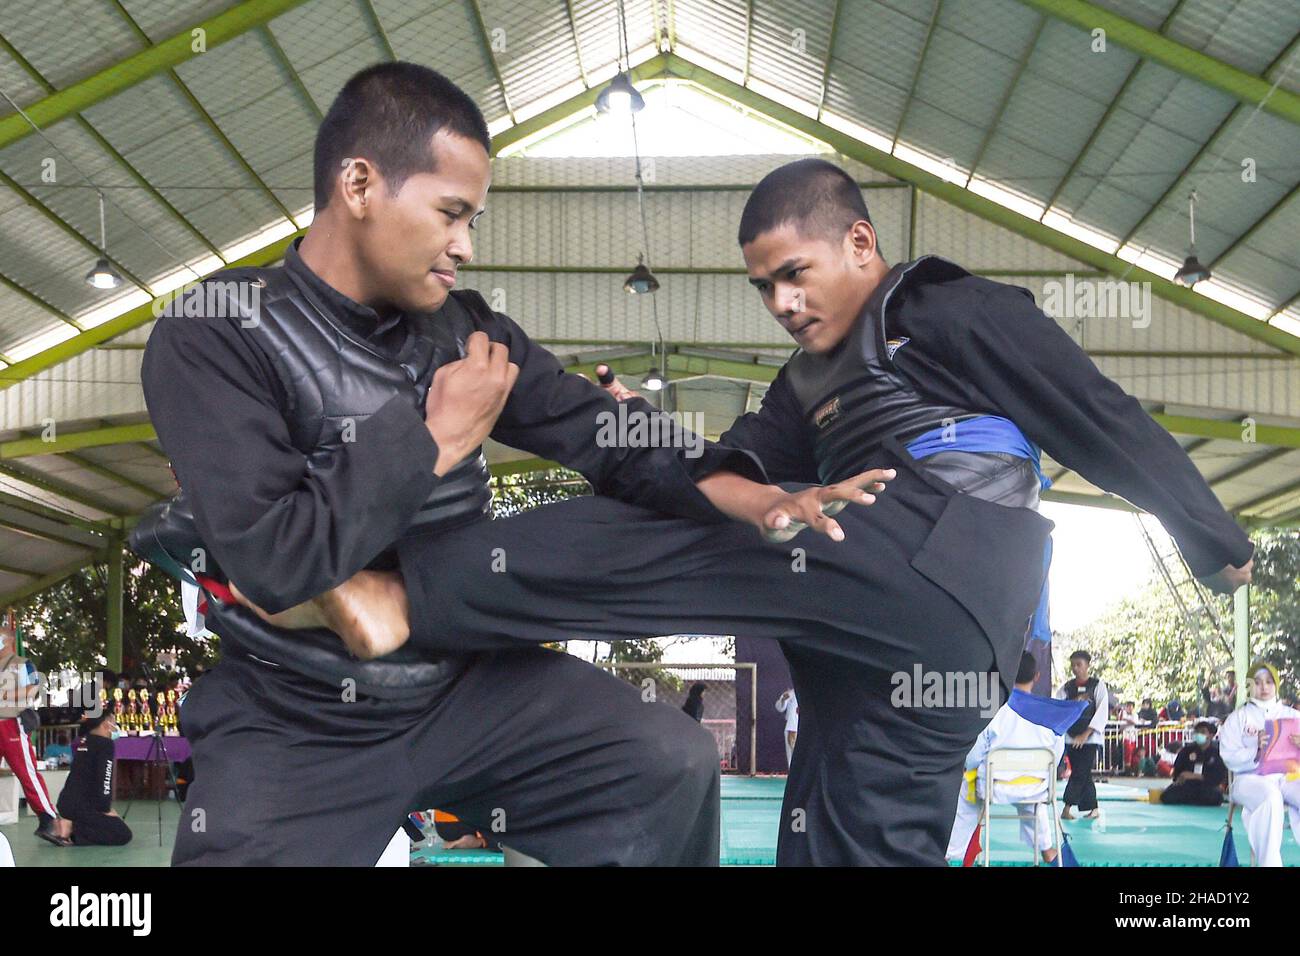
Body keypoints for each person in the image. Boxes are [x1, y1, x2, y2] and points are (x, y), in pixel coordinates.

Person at [265, 158, 1254, 865]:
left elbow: (1096, 413)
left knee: (698, 539)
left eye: (795, 273)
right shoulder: (803, 384)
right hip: (902, 652)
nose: (779, 301)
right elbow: (733, 468)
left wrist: (1211, 537)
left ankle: (406, 596)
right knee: (843, 835)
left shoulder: (944, 311)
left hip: (943, 556)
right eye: (762, 286)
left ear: (859, 240)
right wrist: (632, 428)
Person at [132, 62, 887, 867]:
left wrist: (753, 494)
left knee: (665, 762)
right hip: (296, 714)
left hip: (468, 685)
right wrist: (433, 439)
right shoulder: (215, 334)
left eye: (473, 219)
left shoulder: (466, 331)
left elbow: (600, 432)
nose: (464, 245)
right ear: (358, 184)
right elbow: (274, 560)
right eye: (450, 213)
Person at [945, 653, 1083, 865]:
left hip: (994, 787)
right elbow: (1054, 760)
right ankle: (1047, 850)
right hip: (1036, 788)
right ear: (1036, 676)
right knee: (1033, 798)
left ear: (1007, 671)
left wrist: (968, 768)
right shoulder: (1051, 715)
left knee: (968, 786)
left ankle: (953, 852)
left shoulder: (994, 709)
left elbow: (974, 756)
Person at [1218, 662, 1300, 867]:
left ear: (1277, 685)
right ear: (1249, 685)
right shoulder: (1238, 718)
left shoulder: (1293, 716)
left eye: (1269, 682)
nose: (1264, 687)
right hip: (1249, 778)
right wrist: (1254, 750)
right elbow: (1228, 755)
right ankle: (1269, 863)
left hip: (1286, 777)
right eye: (1258, 682)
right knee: (1271, 798)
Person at [0, 621, 64, 846]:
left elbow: (32, 690)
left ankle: (48, 819)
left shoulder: (23, 664)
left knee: (26, 772)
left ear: (9, 640)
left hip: (12, 723)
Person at [50, 710, 132, 847]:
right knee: (123, 834)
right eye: (113, 721)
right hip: (82, 807)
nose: (115, 725)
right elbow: (105, 778)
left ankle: (67, 825)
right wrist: (106, 809)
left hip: (66, 802)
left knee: (104, 824)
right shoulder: (105, 744)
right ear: (106, 724)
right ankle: (71, 828)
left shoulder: (84, 741)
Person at [1056, 651, 1108, 820]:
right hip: (1071, 736)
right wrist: (1074, 703)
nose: (1075, 668)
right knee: (1083, 773)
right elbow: (1060, 709)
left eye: (1079, 664)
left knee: (1079, 772)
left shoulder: (1098, 685)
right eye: (1073, 665)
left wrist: (1086, 734)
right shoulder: (1066, 688)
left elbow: (1101, 712)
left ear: (1088, 665)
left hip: (1090, 738)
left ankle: (1067, 806)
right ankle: (1093, 808)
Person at [1160, 720, 1226, 806]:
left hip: (1206, 786)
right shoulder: (1186, 751)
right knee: (1167, 796)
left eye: (1203, 732)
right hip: (1187, 785)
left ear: (1211, 735)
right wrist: (1180, 777)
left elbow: (1218, 777)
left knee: (1215, 797)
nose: (1199, 734)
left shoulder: (1217, 753)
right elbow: (1177, 772)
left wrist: (1196, 776)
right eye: (1197, 732)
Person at [775, 688, 798, 768]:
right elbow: (780, 708)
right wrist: (783, 700)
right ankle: (792, 772)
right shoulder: (790, 693)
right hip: (792, 726)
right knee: (791, 753)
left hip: (807, 726)